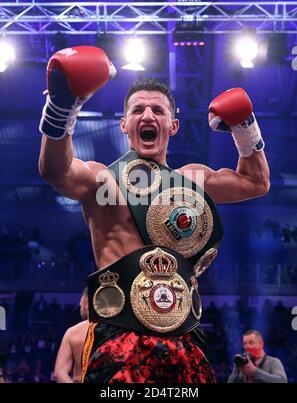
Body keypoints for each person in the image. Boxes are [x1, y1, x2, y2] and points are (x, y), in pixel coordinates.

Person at [38, 46, 270, 383]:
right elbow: (56, 171)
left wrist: (244, 127)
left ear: (172, 125)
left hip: (184, 337)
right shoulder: (104, 179)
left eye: (158, 110)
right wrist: (62, 106)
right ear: (124, 124)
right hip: (120, 335)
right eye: (138, 110)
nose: (148, 115)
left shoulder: (192, 180)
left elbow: (256, 182)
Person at [54, 288, 89, 383]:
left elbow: (59, 372)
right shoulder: (119, 331)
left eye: (81, 302)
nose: (79, 305)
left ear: (87, 303)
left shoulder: (73, 332)